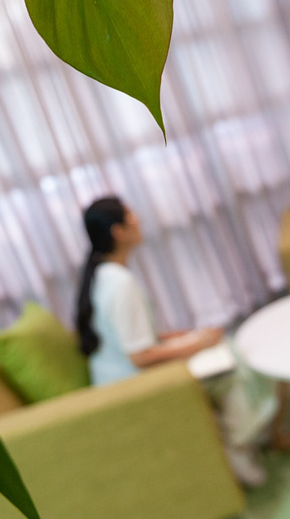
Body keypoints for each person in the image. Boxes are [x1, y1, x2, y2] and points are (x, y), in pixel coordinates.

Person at [75, 197, 274, 486]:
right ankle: (241, 447)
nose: (139, 220)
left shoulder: (102, 276)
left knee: (221, 346)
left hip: (119, 379)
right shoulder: (120, 284)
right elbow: (140, 356)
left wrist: (182, 337)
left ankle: (243, 435)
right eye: (132, 216)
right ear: (118, 232)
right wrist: (198, 344)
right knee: (229, 366)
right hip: (134, 386)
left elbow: (126, 336)